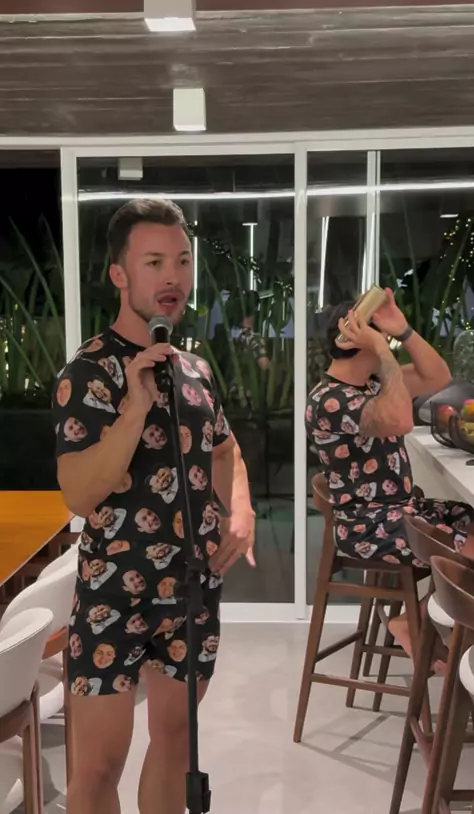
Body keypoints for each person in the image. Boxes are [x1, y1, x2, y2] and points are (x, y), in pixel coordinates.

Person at [52, 198, 256, 814]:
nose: (173, 276)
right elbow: (79, 493)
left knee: (174, 743)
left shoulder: (195, 370)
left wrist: (241, 511)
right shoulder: (87, 373)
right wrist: (134, 408)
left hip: (192, 587)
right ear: (119, 273)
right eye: (154, 262)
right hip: (112, 592)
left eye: (182, 261)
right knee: (97, 767)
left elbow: (226, 449)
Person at [306, 289, 474, 658]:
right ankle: (448, 644)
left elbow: (438, 376)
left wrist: (403, 330)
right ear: (358, 341)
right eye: (379, 335)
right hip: (368, 526)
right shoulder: (330, 400)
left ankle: (418, 621)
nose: (386, 341)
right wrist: (383, 351)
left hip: (402, 513)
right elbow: (400, 420)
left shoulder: (372, 385)